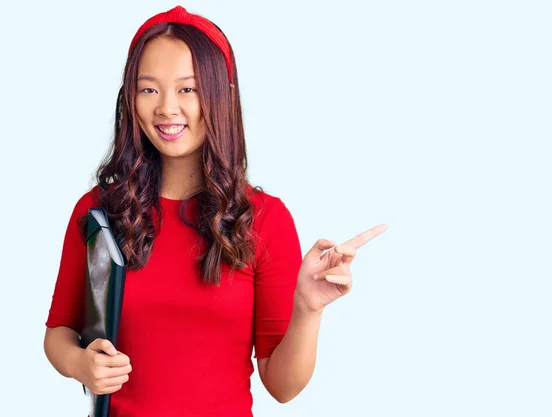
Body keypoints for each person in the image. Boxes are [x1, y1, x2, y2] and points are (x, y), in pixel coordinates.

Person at [43, 5, 387, 417]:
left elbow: (282, 386)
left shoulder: (263, 219)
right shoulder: (98, 212)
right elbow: (59, 331)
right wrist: (80, 364)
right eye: (148, 89)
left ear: (223, 94)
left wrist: (307, 308)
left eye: (187, 89)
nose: (167, 108)